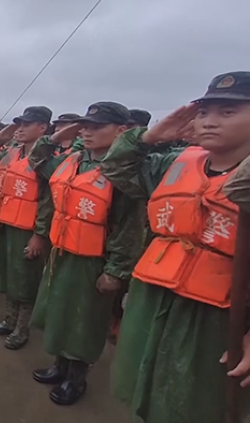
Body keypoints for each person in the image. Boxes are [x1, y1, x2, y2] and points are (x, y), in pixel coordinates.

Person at [101, 71, 250, 423]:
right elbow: (116, 168)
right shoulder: (173, 163)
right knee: (147, 386)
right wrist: (148, 137)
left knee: (197, 403)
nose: (210, 122)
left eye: (228, 113)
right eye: (203, 112)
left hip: (219, 313)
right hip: (156, 294)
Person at [27, 102, 140, 406]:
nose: (87, 132)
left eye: (97, 126)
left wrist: (115, 270)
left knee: (84, 322)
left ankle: (76, 379)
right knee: (59, 313)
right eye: (85, 126)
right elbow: (36, 160)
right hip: (62, 251)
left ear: (122, 131)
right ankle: (59, 365)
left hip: (93, 259)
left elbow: (131, 226)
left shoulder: (123, 173)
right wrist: (55, 137)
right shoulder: (73, 160)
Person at [0, 106, 55, 350]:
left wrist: (39, 235)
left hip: (27, 228)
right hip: (6, 223)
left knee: (26, 280)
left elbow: (48, 202)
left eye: (27, 124)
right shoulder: (12, 153)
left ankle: (22, 329)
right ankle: (8, 320)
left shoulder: (46, 160)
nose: (20, 129)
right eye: (19, 124)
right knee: (9, 275)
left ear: (43, 128)